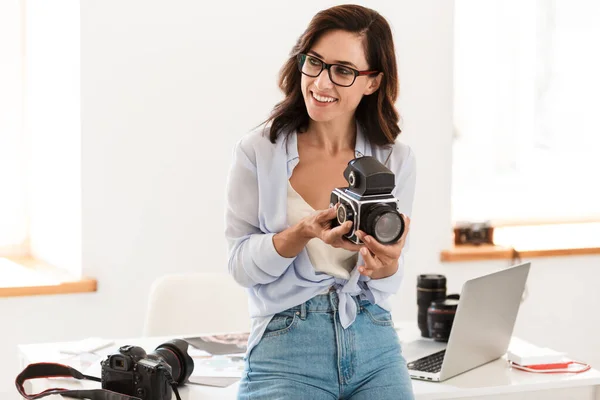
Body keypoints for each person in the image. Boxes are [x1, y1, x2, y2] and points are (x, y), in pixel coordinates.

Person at [225, 4, 416, 399]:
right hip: (286, 348)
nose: (321, 83)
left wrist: (388, 263)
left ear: (373, 82)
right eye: (315, 62)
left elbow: (387, 276)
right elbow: (241, 267)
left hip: (374, 342)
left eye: (343, 71)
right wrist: (301, 234)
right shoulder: (259, 151)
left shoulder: (394, 157)